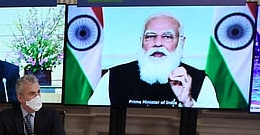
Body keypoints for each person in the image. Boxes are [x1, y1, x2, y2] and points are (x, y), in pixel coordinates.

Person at [88, 13, 218, 108]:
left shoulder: (200, 81)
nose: (157, 43)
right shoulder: (113, 77)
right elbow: (92, 118)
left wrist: (187, 102)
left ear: (181, 42)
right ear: (142, 41)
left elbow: (211, 125)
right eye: (150, 36)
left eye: (167, 37)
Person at [0, 74, 66, 135]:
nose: (37, 97)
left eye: (38, 92)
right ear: (20, 98)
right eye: (32, 94)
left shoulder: (51, 114)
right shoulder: (7, 115)